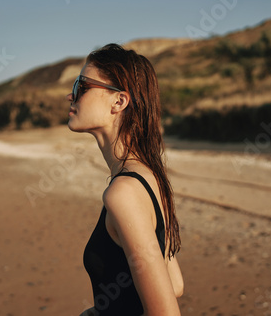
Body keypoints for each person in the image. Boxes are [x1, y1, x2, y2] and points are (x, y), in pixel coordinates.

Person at [66, 43, 184, 316]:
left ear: (119, 101)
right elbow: (174, 284)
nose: (70, 96)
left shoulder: (123, 193)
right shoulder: (150, 176)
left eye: (81, 86)